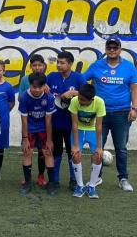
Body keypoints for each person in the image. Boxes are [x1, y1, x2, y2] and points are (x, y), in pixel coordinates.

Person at [82, 37, 137, 192]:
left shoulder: (128, 67)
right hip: (100, 114)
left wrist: (134, 109)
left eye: (115, 48)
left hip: (122, 113)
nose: (112, 50)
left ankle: (123, 178)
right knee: (97, 146)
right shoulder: (96, 66)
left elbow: (134, 89)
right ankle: (96, 177)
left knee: (121, 147)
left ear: (120, 49)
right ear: (106, 49)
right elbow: (81, 80)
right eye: (109, 47)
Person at [47, 51, 86, 191]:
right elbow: (44, 90)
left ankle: (73, 180)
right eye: (58, 62)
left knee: (72, 152)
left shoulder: (78, 78)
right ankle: (55, 181)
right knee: (56, 152)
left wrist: (73, 93)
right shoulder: (51, 77)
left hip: (72, 123)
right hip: (55, 121)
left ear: (70, 64)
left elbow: (89, 94)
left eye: (62, 62)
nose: (59, 65)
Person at [18, 72, 57, 196]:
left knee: (48, 153)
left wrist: (49, 140)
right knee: (27, 152)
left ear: (44, 86)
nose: (37, 90)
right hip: (29, 129)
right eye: (34, 87)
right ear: (29, 85)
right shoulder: (24, 97)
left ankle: (51, 183)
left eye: (40, 87)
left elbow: (49, 121)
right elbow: (24, 120)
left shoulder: (49, 97)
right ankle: (28, 183)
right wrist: (25, 138)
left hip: (43, 129)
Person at [68, 83, 105, 199]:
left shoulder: (99, 102)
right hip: (78, 130)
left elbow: (99, 126)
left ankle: (92, 186)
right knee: (75, 155)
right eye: (79, 98)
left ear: (92, 99)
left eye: (83, 100)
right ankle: (80, 186)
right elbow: (74, 123)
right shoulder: (74, 101)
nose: (80, 101)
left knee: (98, 156)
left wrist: (99, 147)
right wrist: (75, 145)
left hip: (93, 130)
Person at [18, 54, 47, 187]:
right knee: (27, 150)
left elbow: (51, 97)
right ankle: (27, 178)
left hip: (43, 123)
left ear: (44, 66)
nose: (37, 67)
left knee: (43, 151)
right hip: (29, 122)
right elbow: (20, 98)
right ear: (30, 67)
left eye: (39, 65)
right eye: (34, 65)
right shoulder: (25, 79)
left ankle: (41, 176)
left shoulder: (47, 78)